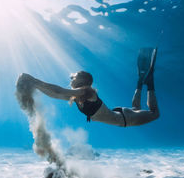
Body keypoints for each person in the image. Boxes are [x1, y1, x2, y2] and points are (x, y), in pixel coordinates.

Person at [18, 48, 159, 127]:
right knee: (136, 108)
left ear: (83, 81)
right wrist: (35, 85)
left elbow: (59, 91)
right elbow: (55, 94)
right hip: (120, 114)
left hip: (124, 119)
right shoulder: (78, 95)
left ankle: (148, 83)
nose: (71, 78)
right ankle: (141, 81)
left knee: (155, 114)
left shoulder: (85, 91)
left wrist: (34, 81)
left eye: (74, 77)